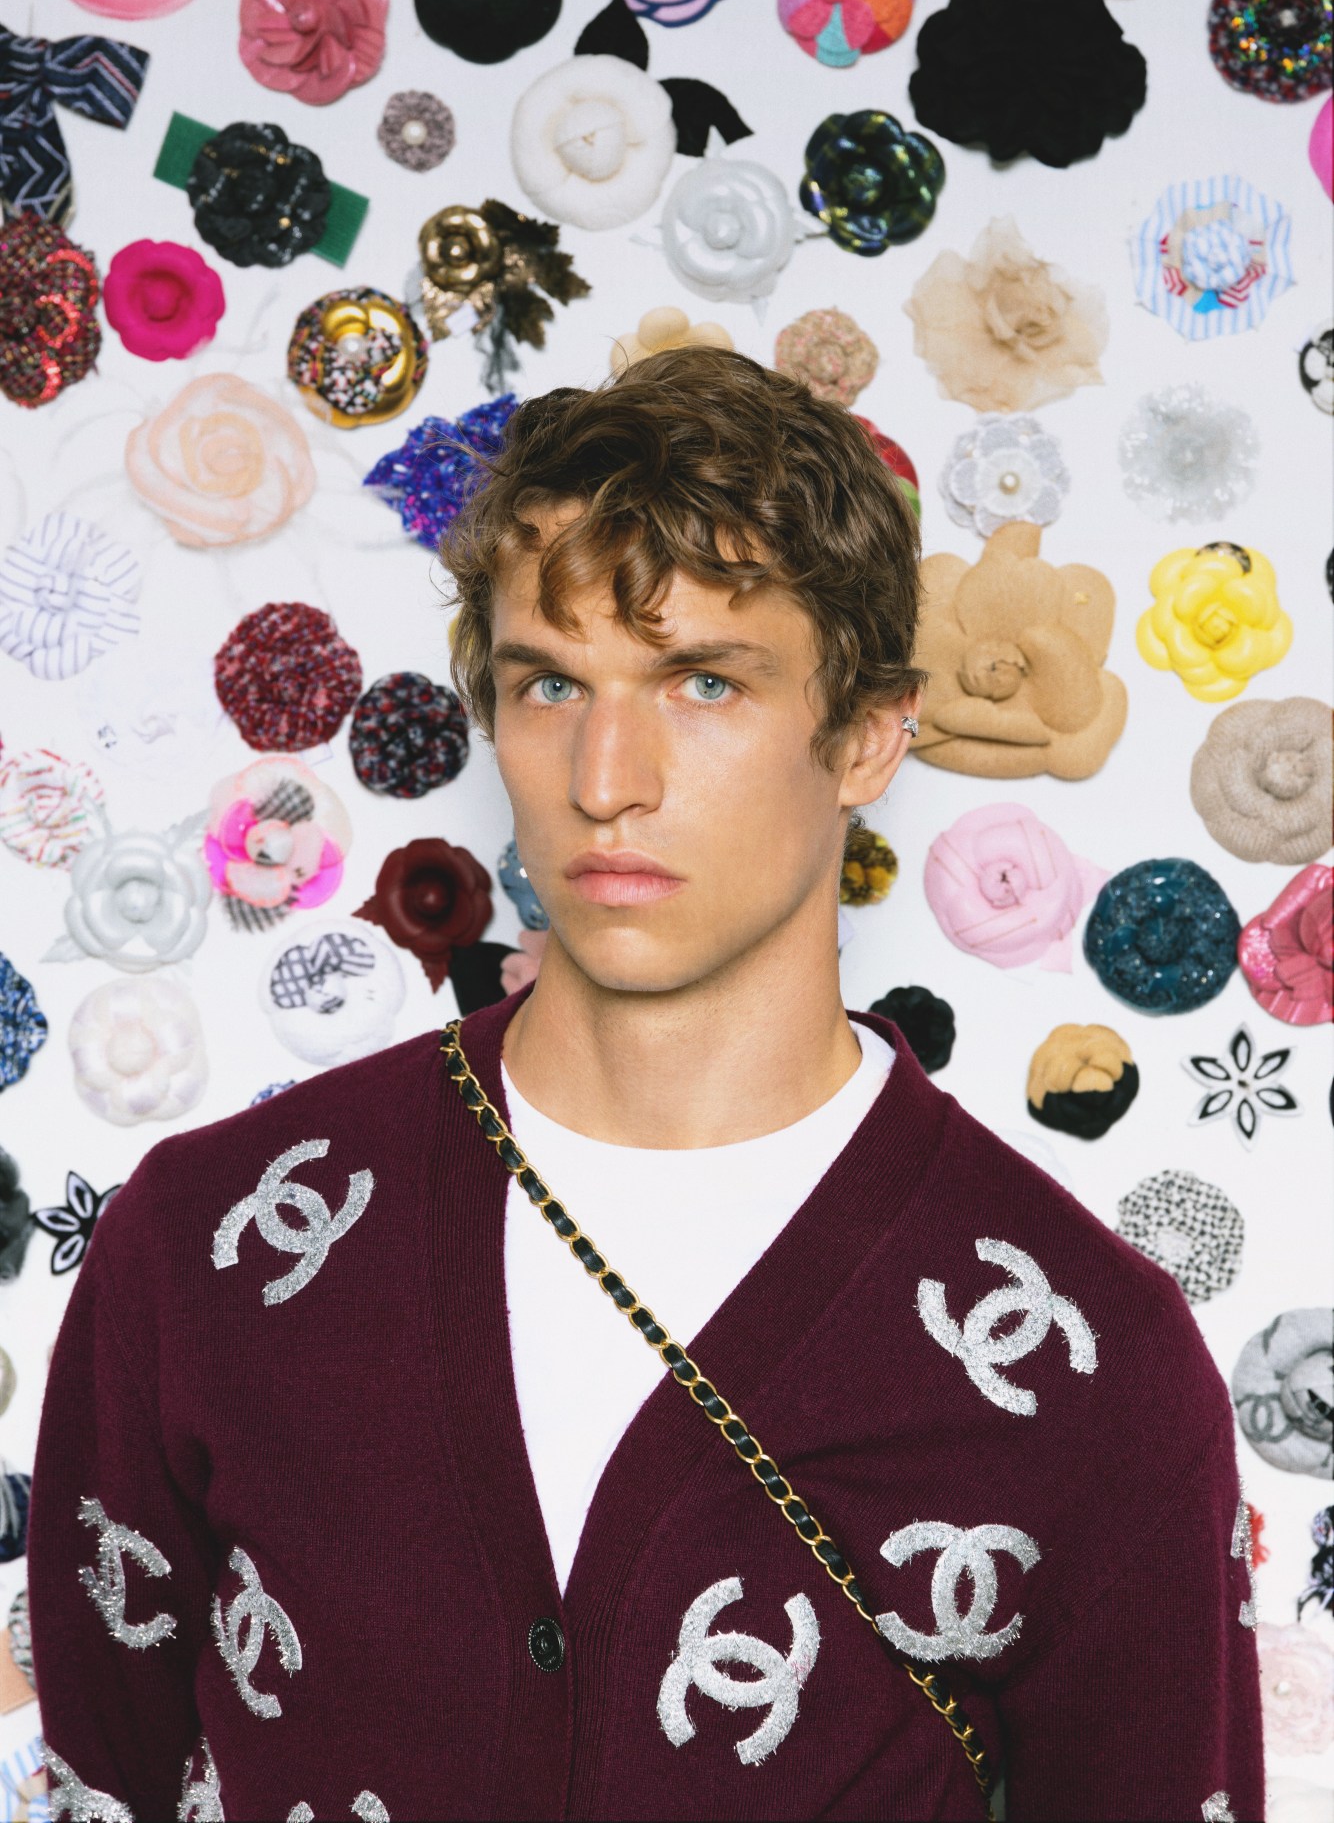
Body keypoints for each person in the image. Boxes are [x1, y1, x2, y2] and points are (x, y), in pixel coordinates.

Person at [29, 350, 1262, 1822]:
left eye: (702, 682)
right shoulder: (210, 1242)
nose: (606, 773)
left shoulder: (1094, 1367)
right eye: (550, 682)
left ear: (868, 732)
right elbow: (98, 1782)